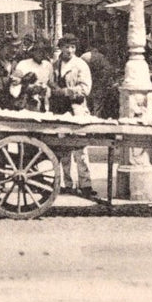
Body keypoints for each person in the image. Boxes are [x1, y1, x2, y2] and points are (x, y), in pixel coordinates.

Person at [51, 35, 97, 198]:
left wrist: (67, 91)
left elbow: (86, 88)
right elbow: (51, 83)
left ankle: (85, 184)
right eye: (66, 47)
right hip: (60, 110)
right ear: (61, 48)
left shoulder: (80, 65)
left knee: (80, 149)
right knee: (63, 149)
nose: (69, 50)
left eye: (72, 47)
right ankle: (67, 183)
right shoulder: (55, 64)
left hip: (76, 108)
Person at [9, 39, 53, 112]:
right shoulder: (23, 64)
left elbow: (50, 85)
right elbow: (13, 87)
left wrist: (44, 90)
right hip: (25, 105)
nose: (41, 54)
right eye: (38, 51)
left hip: (43, 105)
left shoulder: (48, 66)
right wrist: (26, 88)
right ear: (33, 51)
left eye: (43, 52)